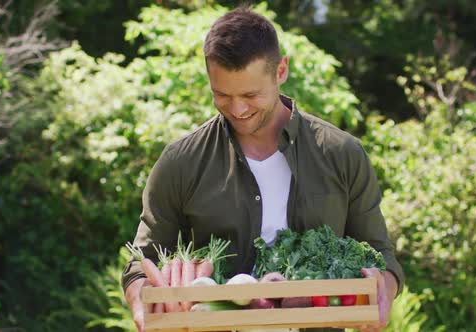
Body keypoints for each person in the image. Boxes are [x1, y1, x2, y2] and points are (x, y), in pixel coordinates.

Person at [122, 5, 404, 332]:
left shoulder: (342, 154)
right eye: (222, 95)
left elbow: (381, 258)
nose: (238, 108)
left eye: (250, 94)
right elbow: (142, 262)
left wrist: (383, 289)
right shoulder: (181, 161)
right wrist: (142, 296)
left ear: (280, 71)